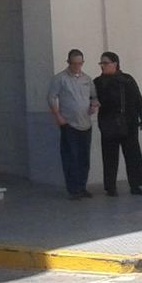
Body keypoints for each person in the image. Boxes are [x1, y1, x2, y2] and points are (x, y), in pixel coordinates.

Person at [94, 52, 142, 195]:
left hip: (129, 123)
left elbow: (138, 99)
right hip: (108, 123)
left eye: (105, 63)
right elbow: (94, 99)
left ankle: (136, 185)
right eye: (101, 63)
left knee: (132, 154)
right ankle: (110, 187)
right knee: (109, 156)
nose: (102, 66)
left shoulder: (127, 79)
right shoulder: (98, 82)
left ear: (115, 64)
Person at [46, 49, 97, 199]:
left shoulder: (87, 79)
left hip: (85, 123)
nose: (77, 66)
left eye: (79, 63)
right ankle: (73, 189)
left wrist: (94, 105)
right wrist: (58, 116)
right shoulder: (60, 79)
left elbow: (94, 96)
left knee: (84, 157)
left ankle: (82, 186)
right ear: (68, 63)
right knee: (71, 157)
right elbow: (51, 97)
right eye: (74, 63)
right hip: (69, 124)